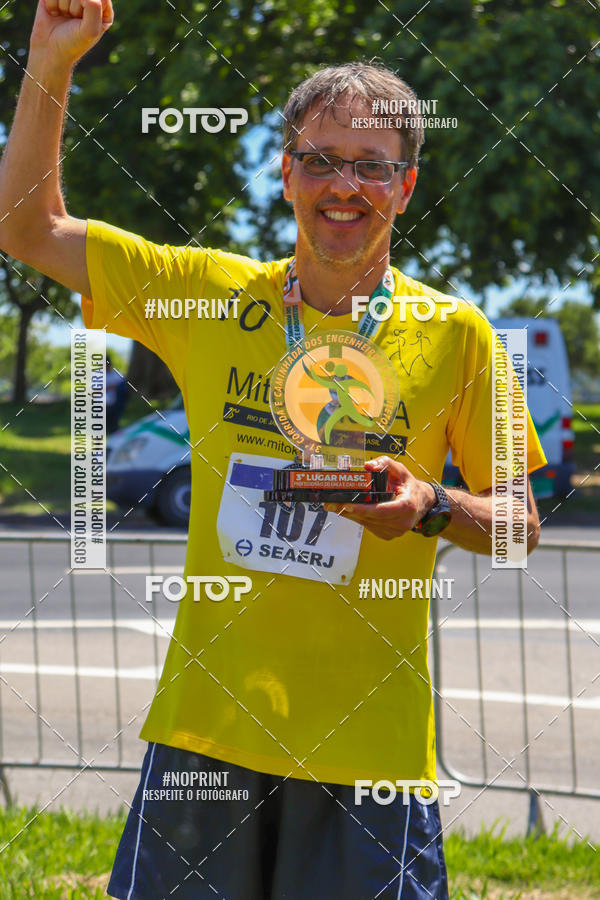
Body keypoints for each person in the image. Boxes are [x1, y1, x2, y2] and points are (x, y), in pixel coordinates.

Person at [0, 1, 547, 897]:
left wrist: (431, 506)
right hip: (206, 741)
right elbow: (25, 229)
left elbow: (523, 524)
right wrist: (50, 64)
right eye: (322, 161)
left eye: (372, 167)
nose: (345, 186)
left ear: (406, 186)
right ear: (286, 174)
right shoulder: (206, 294)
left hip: (370, 755)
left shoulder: (462, 335)